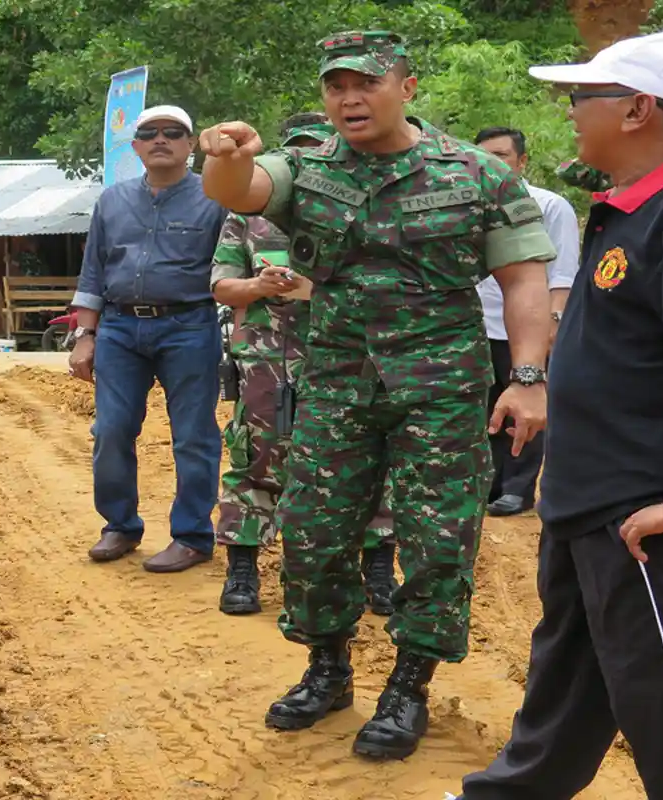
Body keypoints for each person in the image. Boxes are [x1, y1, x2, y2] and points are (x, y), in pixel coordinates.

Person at [199, 30, 556, 759]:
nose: (350, 99)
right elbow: (238, 191)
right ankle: (327, 668)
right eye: (336, 87)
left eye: (367, 83)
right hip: (337, 384)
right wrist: (227, 155)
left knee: (437, 541)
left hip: (442, 389)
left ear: (407, 87)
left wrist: (527, 378)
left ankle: (409, 686)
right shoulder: (306, 167)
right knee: (313, 530)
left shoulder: (478, 174)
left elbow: (524, 281)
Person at [455, 29, 663, 800]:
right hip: (590, 500)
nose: (570, 110)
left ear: (640, 108)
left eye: (583, 97)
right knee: (565, 695)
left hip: (648, 513)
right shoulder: (631, 208)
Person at [211, 112, 398, 617]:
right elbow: (222, 286)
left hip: (348, 358)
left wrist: (321, 290)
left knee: (367, 461)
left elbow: (389, 286)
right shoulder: (247, 214)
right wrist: (260, 286)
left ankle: (379, 569)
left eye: (318, 150)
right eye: (298, 151)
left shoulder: (365, 210)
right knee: (256, 460)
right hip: (268, 360)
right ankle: (243, 571)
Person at [70, 104, 227, 573]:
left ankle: (192, 536)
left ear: (191, 144)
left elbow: (233, 264)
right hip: (119, 329)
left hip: (190, 326)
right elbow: (93, 271)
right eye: (150, 132)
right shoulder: (112, 201)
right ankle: (119, 525)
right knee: (111, 429)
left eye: (173, 132)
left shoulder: (214, 198)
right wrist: (84, 335)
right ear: (135, 146)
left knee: (194, 435)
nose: (161, 139)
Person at [472, 127, 581, 517]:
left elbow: (563, 272)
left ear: (521, 161)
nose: (491, 163)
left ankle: (518, 488)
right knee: (485, 410)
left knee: (526, 403)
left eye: (501, 155)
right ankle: (489, 483)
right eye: (483, 155)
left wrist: (554, 322)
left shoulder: (549, 206)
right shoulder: (467, 205)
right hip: (477, 326)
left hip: (526, 329)